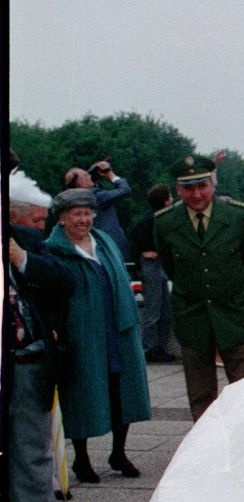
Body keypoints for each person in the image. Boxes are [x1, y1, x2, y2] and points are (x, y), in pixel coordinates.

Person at [7, 172, 93, 502]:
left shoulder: (28, 249)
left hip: (27, 365)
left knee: (34, 463)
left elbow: (64, 282)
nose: (41, 229)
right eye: (35, 221)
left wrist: (18, 256)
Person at [46, 188, 151, 482]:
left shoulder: (104, 242)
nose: (83, 219)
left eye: (87, 213)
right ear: (63, 219)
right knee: (82, 393)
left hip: (118, 329)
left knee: (124, 391)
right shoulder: (54, 249)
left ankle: (119, 452)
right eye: (76, 214)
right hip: (83, 332)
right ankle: (81, 458)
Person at [154, 154, 244, 421]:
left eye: (202, 185)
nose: (196, 193)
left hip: (233, 313)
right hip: (193, 316)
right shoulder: (165, 222)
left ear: (213, 184)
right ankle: (205, 451)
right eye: (188, 187)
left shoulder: (238, 216)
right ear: (178, 189)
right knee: (200, 395)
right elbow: (171, 267)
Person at [129, 184, 176, 363]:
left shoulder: (155, 218)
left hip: (158, 266)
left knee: (164, 310)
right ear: (165, 200)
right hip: (152, 266)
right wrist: (142, 252)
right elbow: (133, 236)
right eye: (170, 196)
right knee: (154, 310)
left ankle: (157, 346)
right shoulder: (151, 220)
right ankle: (149, 348)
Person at [64, 160, 132, 258]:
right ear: (80, 184)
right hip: (111, 246)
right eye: (86, 175)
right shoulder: (95, 196)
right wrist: (110, 174)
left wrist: (95, 172)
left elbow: (93, 185)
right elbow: (125, 190)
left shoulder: (74, 199)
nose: (89, 176)